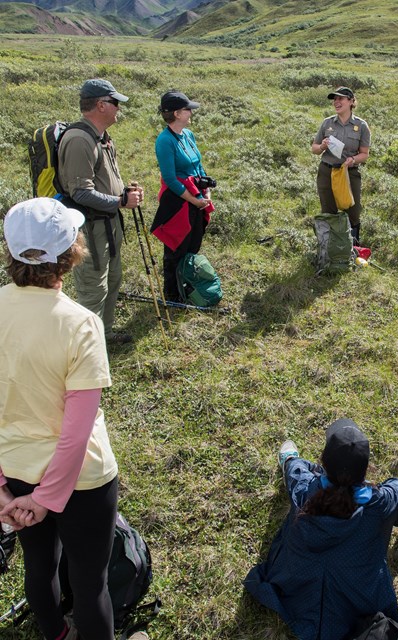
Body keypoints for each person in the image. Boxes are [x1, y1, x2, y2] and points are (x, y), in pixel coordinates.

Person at [0, 198, 119, 640]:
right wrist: (50, 498)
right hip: (83, 482)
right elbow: (77, 429)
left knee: (39, 567)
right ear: (71, 252)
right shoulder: (81, 323)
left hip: (16, 476)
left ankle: (56, 636)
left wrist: (5, 491)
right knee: (91, 587)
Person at [244, 418, 398, 640]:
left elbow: (294, 470)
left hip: (297, 587)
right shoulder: (380, 502)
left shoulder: (305, 489)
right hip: (358, 599)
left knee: (389, 509)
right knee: (397, 510)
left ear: (325, 461)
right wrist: (381, 488)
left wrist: (293, 460)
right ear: (364, 470)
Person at [58, 78, 143, 345]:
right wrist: (120, 201)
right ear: (100, 105)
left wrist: (125, 193)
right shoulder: (79, 140)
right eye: (115, 102)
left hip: (108, 223)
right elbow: (80, 193)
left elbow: (104, 181)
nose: (119, 108)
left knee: (113, 280)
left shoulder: (102, 138)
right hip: (90, 229)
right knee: (93, 289)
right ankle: (86, 352)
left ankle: (102, 336)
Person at [150, 90, 214, 302]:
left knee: (194, 243)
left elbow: (198, 165)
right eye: (188, 109)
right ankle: (172, 293)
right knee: (176, 247)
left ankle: (187, 284)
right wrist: (194, 200)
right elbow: (169, 178)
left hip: (196, 195)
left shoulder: (188, 135)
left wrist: (206, 190)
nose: (191, 112)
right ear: (177, 113)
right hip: (178, 201)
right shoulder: (164, 141)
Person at [311, 87, 371, 245]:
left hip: (349, 172)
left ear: (351, 101)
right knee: (328, 209)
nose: (336, 102)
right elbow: (314, 149)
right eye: (334, 99)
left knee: (353, 210)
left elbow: (364, 154)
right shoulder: (327, 123)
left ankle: (353, 246)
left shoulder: (361, 126)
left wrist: (352, 159)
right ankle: (330, 246)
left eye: (340, 99)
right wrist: (322, 146)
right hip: (327, 171)